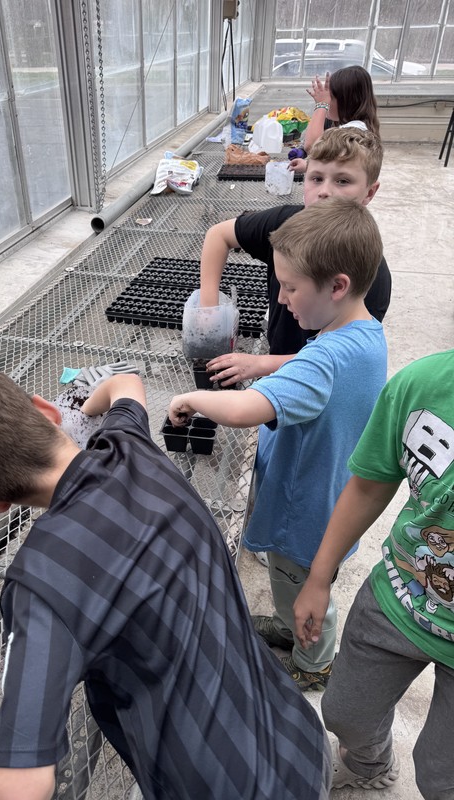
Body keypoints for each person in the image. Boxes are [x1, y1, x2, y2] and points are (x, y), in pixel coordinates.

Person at [0, 368, 332, 800]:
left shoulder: (39, 585)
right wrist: (84, 412)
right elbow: (126, 382)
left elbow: (20, 788)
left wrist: (8, 761)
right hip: (297, 738)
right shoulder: (129, 445)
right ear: (46, 411)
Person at [169, 196, 387, 692]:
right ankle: (293, 627)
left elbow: (247, 411)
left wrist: (193, 396)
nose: (282, 300)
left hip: (303, 512)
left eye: (289, 287)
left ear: (337, 286)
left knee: (303, 588)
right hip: (331, 492)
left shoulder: (323, 359)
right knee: (298, 587)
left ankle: (313, 662)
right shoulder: (364, 333)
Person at [293, 349, 454, 797]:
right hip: (399, 599)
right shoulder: (422, 384)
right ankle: (370, 764)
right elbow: (369, 482)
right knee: (345, 714)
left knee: (443, 775)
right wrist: (319, 577)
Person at [199, 127, 391, 387]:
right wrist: (208, 308)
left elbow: (343, 357)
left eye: (342, 181)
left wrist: (261, 364)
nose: (324, 191)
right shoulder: (284, 222)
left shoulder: (371, 275)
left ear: (370, 191)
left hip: (317, 383)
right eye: (316, 178)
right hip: (280, 354)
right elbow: (218, 235)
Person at [290, 65, 380, 173]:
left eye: (330, 97)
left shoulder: (354, 132)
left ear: (346, 101)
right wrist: (308, 166)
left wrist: (321, 105)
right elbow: (337, 164)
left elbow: (313, 147)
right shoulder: (358, 127)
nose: (327, 102)